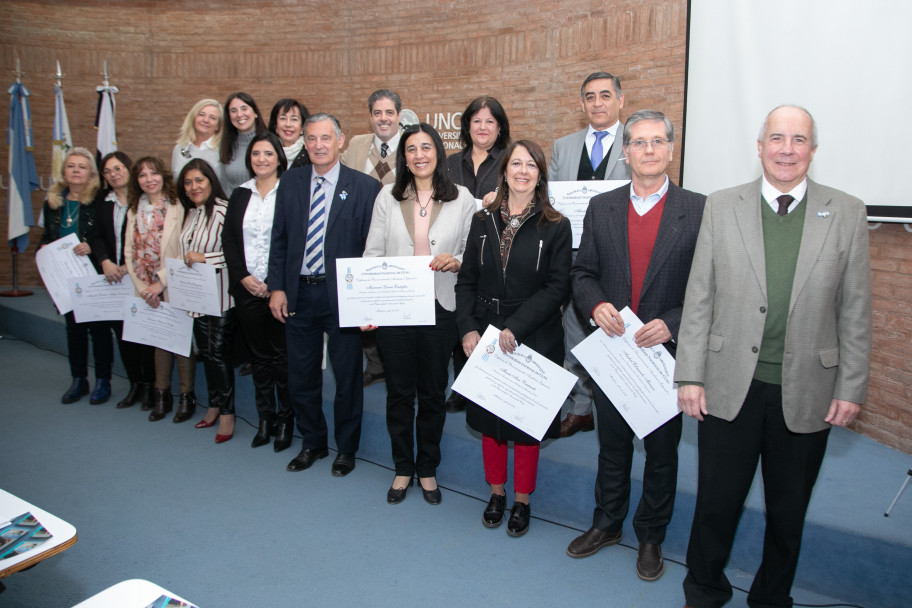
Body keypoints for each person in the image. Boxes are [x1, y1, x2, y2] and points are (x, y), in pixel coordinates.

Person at [675, 105, 872, 608]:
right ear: (760, 146)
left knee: (788, 513)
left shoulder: (846, 211)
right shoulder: (721, 205)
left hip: (808, 389)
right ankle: (704, 589)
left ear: (813, 150)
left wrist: (851, 386)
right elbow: (700, 295)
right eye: (777, 138)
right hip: (727, 383)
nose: (787, 149)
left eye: (799, 140)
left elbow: (855, 308)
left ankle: (771, 597)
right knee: (716, 504)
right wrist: (690, 374)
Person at [567, 110, 706, 581]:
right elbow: (582, 272)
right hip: (614, 352)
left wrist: (673, 323)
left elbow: (711, 287)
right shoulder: (602, 207)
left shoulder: (699, 210)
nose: (648, 150)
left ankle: (650, 535)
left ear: (670, 149)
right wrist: (596, 305)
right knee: (612, 447)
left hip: (665, 356)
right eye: (639, 142)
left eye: (657, 141)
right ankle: (606, 524)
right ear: (624, 152)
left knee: (662, 452)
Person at [455, 140, 572, 537]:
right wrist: (468, 328)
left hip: (533, 333)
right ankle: (496, 492)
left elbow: (557, 288)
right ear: (503, 171)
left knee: (525, 423)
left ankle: (522, 501)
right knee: (490, 420)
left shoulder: (556, 224)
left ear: (541, 174)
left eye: (531, 165)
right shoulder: (482, 219)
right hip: (485, 331)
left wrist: (516, 328)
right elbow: (466, 279)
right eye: (516, 163)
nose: (523, 170)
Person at [363, 123, 476, 505]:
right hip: (395, 308)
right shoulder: (387, 197)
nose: (419, 155)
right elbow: (372, 254)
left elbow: (471, 254)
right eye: (411, 149)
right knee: (398, 394)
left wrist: (456, 261)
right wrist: (367, 305)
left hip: (441, 307)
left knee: (431, 393)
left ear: (438, 153)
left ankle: (427, 467)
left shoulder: (462, 198)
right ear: (403, 156)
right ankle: (402, 467)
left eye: (426, 147)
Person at [268, 113, 382, 476]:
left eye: (325, 138)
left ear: (341, 141)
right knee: (301, 376)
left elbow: (371, 250)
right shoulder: (291, 182)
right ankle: (312, 443)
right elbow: (279, 239)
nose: (318, 145)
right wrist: (277, 288)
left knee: (348, 377)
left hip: (343, 299)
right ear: (305, 142)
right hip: (298, 295)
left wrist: (366, 303)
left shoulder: (364, 187)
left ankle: (346, 449)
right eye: (312, 139)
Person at [549, 71, 633, 438]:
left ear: (620, 100)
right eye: (590, 97)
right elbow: (549, 203)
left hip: (619, 256)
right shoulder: (563, 147)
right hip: (569, 254)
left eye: (604, 95)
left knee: (616, 330)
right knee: (573, 331)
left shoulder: (639, 144)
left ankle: (624, 405)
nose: (597, 103)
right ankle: (581, 407)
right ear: (581, 103)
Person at [223, 132, 295, 452]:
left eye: (268, 153)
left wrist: (275, 281)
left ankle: (286, 419)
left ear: (279, 157)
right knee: (259, 358)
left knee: (283, 359)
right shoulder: (240, 194)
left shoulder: (291, 191)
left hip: (280, 290)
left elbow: (295, 241)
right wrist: (242, 277)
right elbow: (229, 241)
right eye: (255, 154)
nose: (261, 159)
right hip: (247, 290)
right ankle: (266, 418)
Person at [444, 95, 511, 413]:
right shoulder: (450, 163)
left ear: (500, 128)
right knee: (462, 314)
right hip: (454, 249)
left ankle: (490, 385)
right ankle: (461, 386)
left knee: (485, 318)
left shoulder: (508, 161)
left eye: (490, 121)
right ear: (467, 126)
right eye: (476, 121)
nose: (483, 127)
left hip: (493, 250)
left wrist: (501, 198)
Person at [38, 147, 113, 405]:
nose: (76, 170)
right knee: (74, 330)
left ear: (91, 172)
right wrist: (44, 250)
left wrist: (93, 248)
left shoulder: (101, 200)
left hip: (93, 274)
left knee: (100, 330)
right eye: (71, 166)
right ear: (64, 172)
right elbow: (46, 237)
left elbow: (107, 236)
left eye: (82, 166)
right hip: (65, 278)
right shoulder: (53, 202)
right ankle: (79, 380)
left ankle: (104, 380)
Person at [123, 157, 194, 422]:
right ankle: (162, 395)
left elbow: (184, 248)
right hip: (144, 288)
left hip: (173, 283)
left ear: (163, 176)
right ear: (137, 182)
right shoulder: (134, 210)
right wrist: (144, 288)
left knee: (179, 341)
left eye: (154, 173)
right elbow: (128, 252)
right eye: (142, 175)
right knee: (158, 341)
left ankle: (187, 397)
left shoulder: (178, 207)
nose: (149, 179)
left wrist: (160, 282)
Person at [342, 88, 403, 388]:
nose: (383, 119)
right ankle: (374, 363)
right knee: (364, 299)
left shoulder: (411, 145)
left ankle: (395, 363)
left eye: (389, 112)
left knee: (391, 298)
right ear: (370, 117)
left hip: (394, 236)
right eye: (377, 113)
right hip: (358, 234)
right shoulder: (356, 144)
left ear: (399, 116)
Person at [90, 152, 156, 410]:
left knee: (144, 334)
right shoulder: (103, 202)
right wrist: (105, 261)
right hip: (113, 278)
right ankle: (135, 385)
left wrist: (128, 266)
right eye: (108, 171)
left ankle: (150, 387)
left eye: (118, 168)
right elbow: (96, 236)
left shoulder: (144, 200)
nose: (114, 174)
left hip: (140, 277)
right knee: (124, 335)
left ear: (129, 170)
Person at [176, 159, 236, 443]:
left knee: (218, 355)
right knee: (206, 354)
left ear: (211, 181)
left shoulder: (225, 211)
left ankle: (227, 412)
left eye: (199, 180)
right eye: (188, 182)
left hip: (221, 297)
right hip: (195, 298)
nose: (194, 187)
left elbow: (236, 254)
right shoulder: (191, 214)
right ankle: (213, 403)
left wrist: (205, 258)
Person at [220, 92, 267, 195]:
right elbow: (224, 183)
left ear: (255, 113)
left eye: (244, 108)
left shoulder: (270, 142)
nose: (239, 114)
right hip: (234, 206)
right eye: (233, 111)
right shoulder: (225, 144)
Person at [171, 99, 225, 182]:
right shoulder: (179, 149)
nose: (206, 120)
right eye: (201, 114)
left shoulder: (224, 150)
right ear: (193, 118)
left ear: (218, 126)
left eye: (212, 117)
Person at [268, 98, 311, 169]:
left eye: (294, 119)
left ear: (303, 127)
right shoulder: (267, 153)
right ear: (275, 126)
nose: (288, 124)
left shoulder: (311, 154)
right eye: (283, 118)